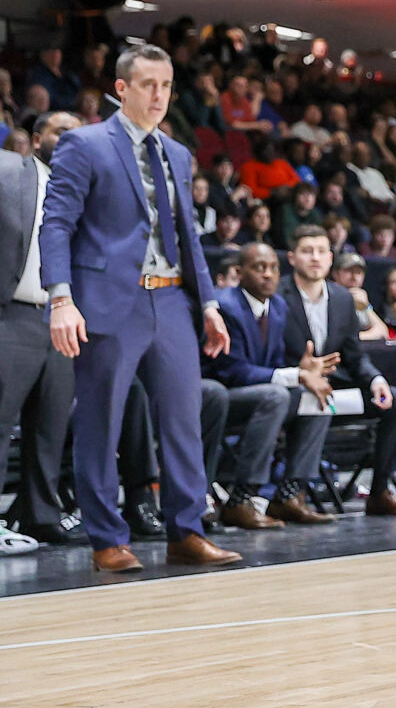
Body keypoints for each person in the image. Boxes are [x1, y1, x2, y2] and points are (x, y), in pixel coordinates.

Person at [40, 44, 241, 572]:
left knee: (183, 420)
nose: (160, 96)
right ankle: (107, 538)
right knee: (101, 421)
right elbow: (56, 225)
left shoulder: (176, 152)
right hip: (108, 301)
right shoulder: (83, 145)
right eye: (149, 84)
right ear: (122, 89)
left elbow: (188, 237)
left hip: (172, 297)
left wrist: (211, 305)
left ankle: (186, 531)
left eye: (168, 85)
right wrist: (61, 298)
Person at [283, 226, 396, 516]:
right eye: (307, 251)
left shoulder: (343, 299)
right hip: (294, 389)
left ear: (331, 258)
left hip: (334, 392)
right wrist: (301, 372)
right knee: (314, 401)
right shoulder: (279, 296)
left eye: (321, 251)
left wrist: (375, 380)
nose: (315, 258)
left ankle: (380, 491)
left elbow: (355, 357)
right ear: (293, 257)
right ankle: (293, 493)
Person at [206, 243, 338, 525]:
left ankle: (290, 494)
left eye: (274, 268)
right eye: (259, 268)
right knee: (277, 396)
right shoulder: (226, 306)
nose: (268, 275)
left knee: (318, 394)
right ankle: (241, 499)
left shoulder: (277, 306)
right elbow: (233, 371)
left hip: (262, 393)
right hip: (220, 395)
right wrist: (294, 375)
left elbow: (275, 364)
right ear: (240, 273)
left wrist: (303, 371)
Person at [0, 114, 83, 546]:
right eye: (59, 132)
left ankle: (39, 513)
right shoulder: (9, 171)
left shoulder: (84, 194)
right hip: (13, 311)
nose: (70, 140)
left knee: (49, 425)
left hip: (62, 318)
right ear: (37, 139)